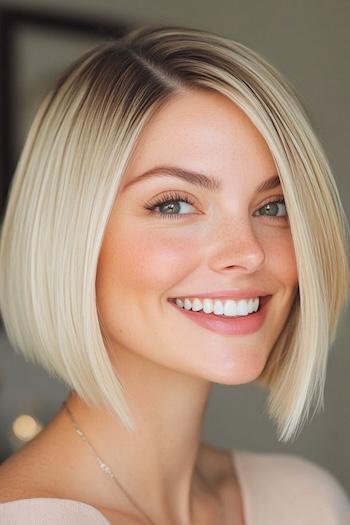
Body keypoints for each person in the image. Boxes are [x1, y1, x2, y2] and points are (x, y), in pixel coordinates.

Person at [0, 24, 349, 525]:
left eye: (273, 205)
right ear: (73, 237)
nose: (247, 252)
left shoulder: (307, 502)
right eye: (174, 204)